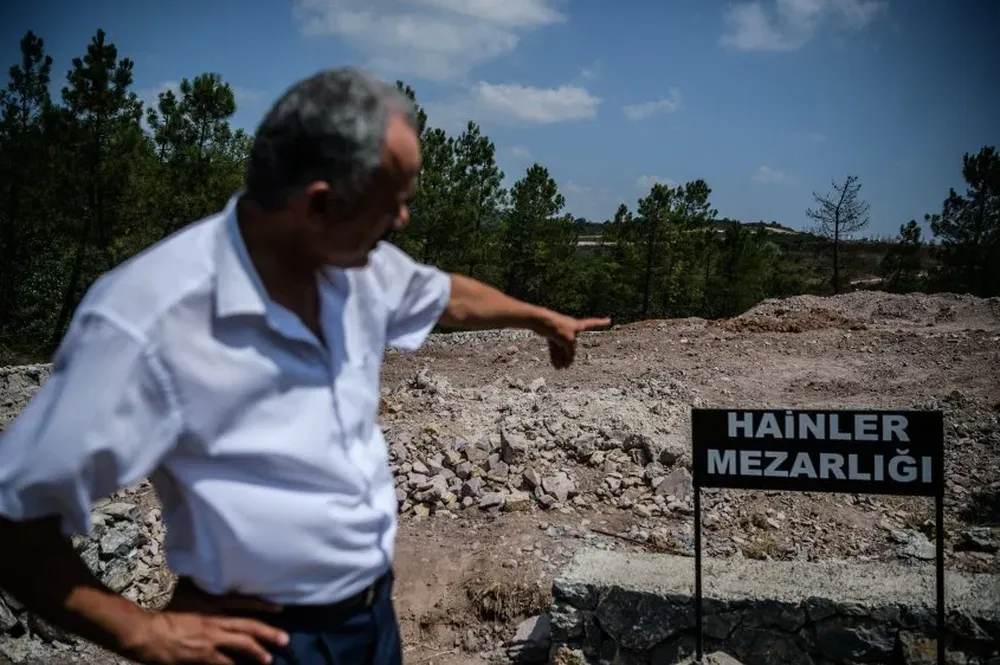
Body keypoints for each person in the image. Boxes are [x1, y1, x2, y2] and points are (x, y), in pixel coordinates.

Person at [0, 68, 609, 665]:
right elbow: (14, 510)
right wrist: (144, 635)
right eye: (393, 204)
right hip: (263, 641)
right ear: (319, 205)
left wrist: (539, 318)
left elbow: (445, 295)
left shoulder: (360, 268)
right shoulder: (148, 322)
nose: (403, 221)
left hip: (371, 620)